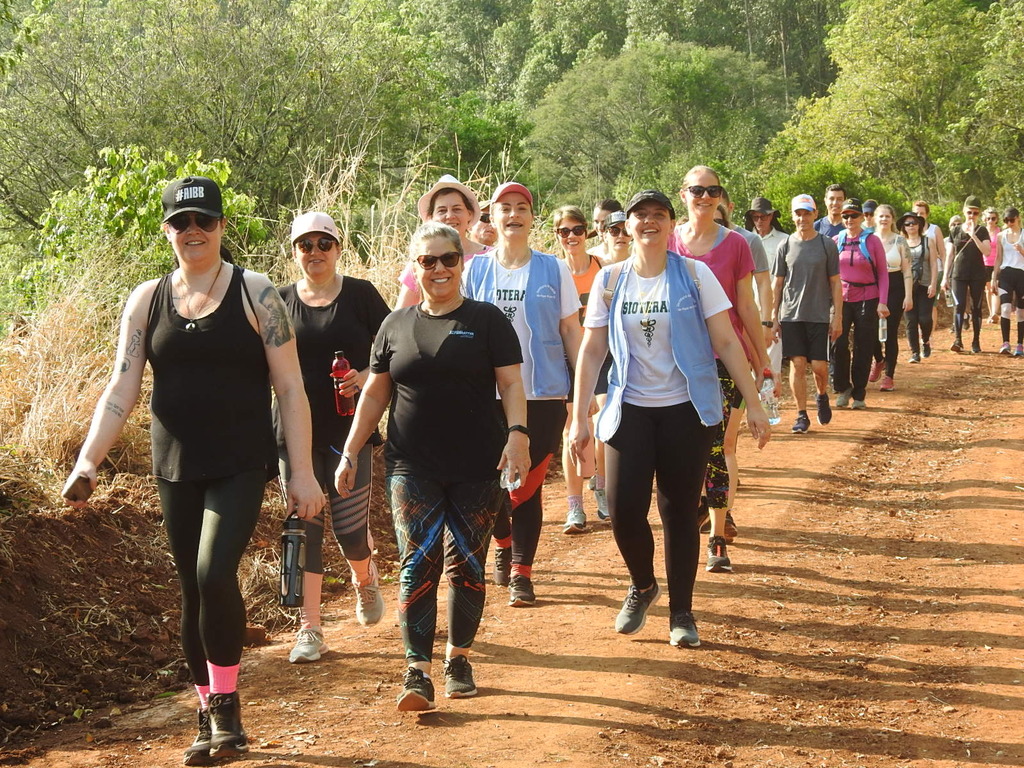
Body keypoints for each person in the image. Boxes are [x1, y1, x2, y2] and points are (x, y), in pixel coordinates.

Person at [62, 177, 325, 764]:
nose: (194, 232)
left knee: (212, 572)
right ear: (167, 231)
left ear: (223, 227)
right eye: (182, 223)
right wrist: (88, 460)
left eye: (205, 221)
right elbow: (121, 387)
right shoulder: (145, 300)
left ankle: (228, 710)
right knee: (189, 589)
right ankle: (207, 714)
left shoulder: (256, 294)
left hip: (239, 461)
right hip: (174, 464)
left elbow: (290, 388)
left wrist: (300, 472)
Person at [336, 222, 529, 711]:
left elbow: (509, 385)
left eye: (448, 259)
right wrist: (351, 449)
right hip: (410, 463)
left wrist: (518, 436)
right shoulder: (394, 325)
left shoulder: (487, 321)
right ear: (414, 267)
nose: (439, 269)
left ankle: (458, 658)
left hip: (478, 464)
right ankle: (417, 670)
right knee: (417, 562)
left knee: (466, 562)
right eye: (428, 261)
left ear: (461, 263)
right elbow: (377, 392)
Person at [568, 189, 770, 649]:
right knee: (621, 511)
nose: (649, 222)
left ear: (670, 224)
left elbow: (726, 340)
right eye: (640, 216)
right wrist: (580, 417)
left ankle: (682, 611)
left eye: (659, 215)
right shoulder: (611, 281)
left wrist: (753, 401)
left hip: (686, 411)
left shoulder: (696, 275)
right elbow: (592, 348)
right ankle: (643, 585)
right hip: (628, 408)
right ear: (626, 225)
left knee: (679, 513)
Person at [276, 212, 392, 665]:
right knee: (305, 529)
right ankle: (310, 628)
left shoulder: (361, 295)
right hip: (294, 431)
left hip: (350, 432)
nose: (315, 252)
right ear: (294, 252)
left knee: (348, 532)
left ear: (338, 248)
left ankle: (364, 577)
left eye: (324, 243)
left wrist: (365, 377)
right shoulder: (279, 300)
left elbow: (393, 348)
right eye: (306, 245)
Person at [463, 181, 582, 606]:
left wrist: (584, 393)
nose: (513, 215)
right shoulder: (474, 270)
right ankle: (502, 545)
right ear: (491, 218)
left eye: (521, 208)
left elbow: (571, 330)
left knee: (526, 486)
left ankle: (522, 573)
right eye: (504, 208)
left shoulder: (555, 269)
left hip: (543, 392)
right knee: (495, 486)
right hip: (485, 396)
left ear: (533, 218)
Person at [668, 166, 770, 574]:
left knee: (720, 446)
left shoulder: (738, 245)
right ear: (684, 194)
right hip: (676, 361)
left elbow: (746, 305)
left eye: (712, 191)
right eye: (697, 190)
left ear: (721, 197)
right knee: (683, 449)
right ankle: (700, 508)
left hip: (726, 359)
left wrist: (761, 360)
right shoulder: (669, 242)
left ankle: (717, 537)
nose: (705, 197)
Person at [771, 194, 843, 433]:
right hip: (791, 315)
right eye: (798, 213)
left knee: (820, 367)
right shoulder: (785, 245)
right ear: (792, 216)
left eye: (806, 213)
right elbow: (777, 284)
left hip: (819, 315)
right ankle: (801, 414)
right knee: (798, 364)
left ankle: (821, 395)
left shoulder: (826, 245)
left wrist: (837, 317)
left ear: (814, 214)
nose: (802, 218)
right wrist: (773, 317)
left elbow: (835, 283)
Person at [551, 205, 602, 533]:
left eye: (577, 230)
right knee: (572, 430)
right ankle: (575, 505)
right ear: (557, 235)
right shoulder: (553, 271)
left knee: (602, 425)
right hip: (567, 359)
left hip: (603, 356)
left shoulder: (602, 267)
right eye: (564, 231)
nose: (571, 236)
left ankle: (602, 487)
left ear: (587, 232)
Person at [395, 175, 488, 308]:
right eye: (442, 210)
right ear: (431, 217)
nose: (450, 216)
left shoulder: (490, 258)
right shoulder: (422, 261)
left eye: (457, 209)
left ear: (470, 214)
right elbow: (401, 315)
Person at [831, 199, 889, 409]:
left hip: (868, 296)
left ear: (862, 217)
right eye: (845, 216)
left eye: (853, 216)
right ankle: (842, 387)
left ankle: (859, 392)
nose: (849, 220)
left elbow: (883, 272)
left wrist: (882, 302)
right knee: (838, 341)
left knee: (863, 345)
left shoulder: (872, 241)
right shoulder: (837, 239)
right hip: (843, 297)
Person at [870, 205, 913, 391]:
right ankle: (879, 360)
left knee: (891, 332)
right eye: (881, 216)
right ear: (874, 218)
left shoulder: (900, 241)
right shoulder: (868, 239)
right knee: (869, 330)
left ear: (892, 219)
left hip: (895, 287)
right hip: (871, 286)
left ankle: (889, 376)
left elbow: (907, 270)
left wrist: (909, 295)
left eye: (887, 216)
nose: (884, 219)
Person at [942, 196, 990, 353]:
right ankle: (958, 339)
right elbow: (949, 255)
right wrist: (945, 278)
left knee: (976, 307)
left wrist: (973, 234)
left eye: (975, 213)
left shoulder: (982, 231)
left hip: (977, 274)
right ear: (964, 211)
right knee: (959, 306)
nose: (972, 215)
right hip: (958, 274)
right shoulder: (955, 230)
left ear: (979, 214)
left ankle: (976, 341)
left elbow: (987, 251)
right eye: (969, 212)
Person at [898, 211, 940, 363]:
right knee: (910, 320)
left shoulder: (928, 241)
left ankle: (926, 340)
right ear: (903, 227)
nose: (911, 226)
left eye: (914, 223)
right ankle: (915, 352)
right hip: (906, 287)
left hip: (925, 284)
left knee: (925, 318)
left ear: (919, 225)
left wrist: (933, 283)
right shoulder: (900, 242)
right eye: (907, 224)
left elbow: (934, 263)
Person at [913, 200, 946, 346]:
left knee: (931, 304)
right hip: (914, 274)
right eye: (916, 213)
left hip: (934, 271)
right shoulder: (909, 229)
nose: (918, 216)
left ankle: (928, 336)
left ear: (927, 215)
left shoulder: (934, 229)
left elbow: (943, 253)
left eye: (921, 213)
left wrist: (945, 274)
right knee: (916, 306)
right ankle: (919, 334)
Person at [992, 207, 1024, 356]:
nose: (1009, 223)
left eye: (1011, 220)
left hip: (1021, 274)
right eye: (1006, 221)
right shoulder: (1001, 236)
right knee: (1005, 308)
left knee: (1021, 312)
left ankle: (1020, 344)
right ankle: (1005, 343)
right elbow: (998, 258)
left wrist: (1022, 251)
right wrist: (994, 277)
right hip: (1005, 274)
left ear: (1018, 218)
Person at [983, 208, 1002, 323]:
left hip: (997, 263)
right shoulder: (981, 231)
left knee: (996, 288)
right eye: (988, 218)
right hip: (984, 263)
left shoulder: (1000, 232)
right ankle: (991, 313)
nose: (990, 220)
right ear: (985, 219)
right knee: (988, 289)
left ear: (997, 219)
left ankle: (995, 312)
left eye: (993, 218)